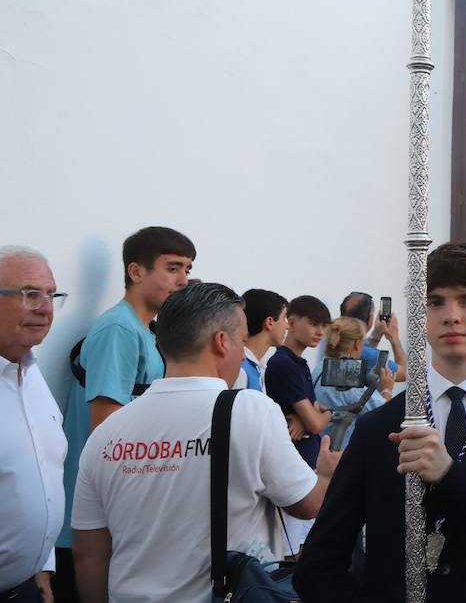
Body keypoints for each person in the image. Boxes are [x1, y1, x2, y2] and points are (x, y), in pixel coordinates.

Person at [294, 242, 466, 602]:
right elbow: (318, 564)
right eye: (435, 302)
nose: (451, 315)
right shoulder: (379, 427)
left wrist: (452, 475)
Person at [69, 283, 337, 603]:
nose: (242, 352)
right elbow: (307, 504)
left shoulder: (107, 431)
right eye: (241, 341)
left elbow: (88, 556)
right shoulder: (249, 409)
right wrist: (326, 473)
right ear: (222, 342)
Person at [57, 225, 195, 593]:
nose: (183, 280)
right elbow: (106, 430)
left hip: (117, 516)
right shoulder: (118, 329)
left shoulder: (147, 332)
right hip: (94, 522)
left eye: (188, 270)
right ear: (136, 272)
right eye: (173, 268)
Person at [0, 247, 66, 603]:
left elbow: (44, 473)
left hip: (27, 585)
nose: (45, 308)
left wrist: (42, 562)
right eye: (29, 295)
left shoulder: (31, 373)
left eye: (51, 295)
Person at [265, 294, 333, 552]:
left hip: (304, 467)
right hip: (293, 472)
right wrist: (326, 416)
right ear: (291, 322)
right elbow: (316, 420)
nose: (320, 332)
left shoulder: (298, 363)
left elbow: (314, 414)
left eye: (324, 326)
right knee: (292, 552)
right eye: (314, 324)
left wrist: (314, 418)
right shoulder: (284, 364)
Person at [314, 316, 395, 452]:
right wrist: (386, 389)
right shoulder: (348, 378)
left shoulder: (319, 368)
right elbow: (386, 415)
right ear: (358, 344)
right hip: (340, 454)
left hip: (318, 448)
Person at [339, 292, 405, 382]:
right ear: (370, 318)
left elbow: (363, 348)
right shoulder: (371, 356)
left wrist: (376, 334)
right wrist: (394, 338)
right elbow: (406, 373)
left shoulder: (335, 341)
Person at [235, 288, 287, 392]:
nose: (287, 326)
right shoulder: (240, 370)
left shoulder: (255, 366)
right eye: (284, 318)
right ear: (269, 322)